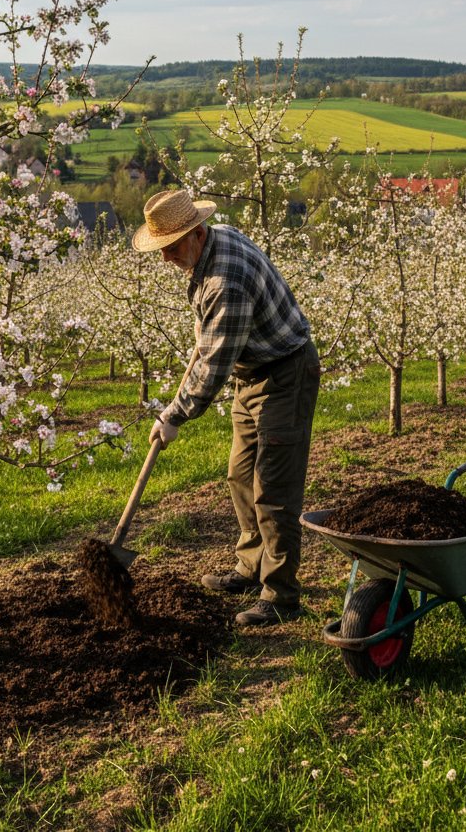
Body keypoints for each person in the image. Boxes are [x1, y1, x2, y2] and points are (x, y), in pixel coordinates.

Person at [132, 188, 321, 626]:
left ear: (196, 234)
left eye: (172, 248)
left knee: (274, 490)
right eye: (161, 249)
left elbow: (214, 366)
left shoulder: (224, 282)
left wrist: (174, 415)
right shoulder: (213, 245)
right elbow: (213, 340)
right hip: (252, 373)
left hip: (284, 376)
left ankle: (281, 595)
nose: (166, 259)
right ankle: (251, 566)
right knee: (240, 474)